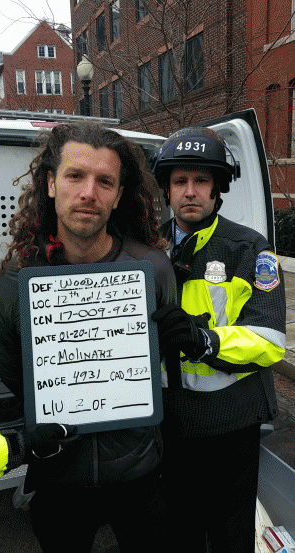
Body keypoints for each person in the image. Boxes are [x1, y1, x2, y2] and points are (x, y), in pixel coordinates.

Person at [0, 122, 176, 552]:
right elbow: (18, 379)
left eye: (104, 181)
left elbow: (157, 360)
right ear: (51, 183)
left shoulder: (154, 269)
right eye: (75, 176)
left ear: (118, 194)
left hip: (141, 477)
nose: (89, 192)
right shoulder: (7, 285)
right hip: (58, 480)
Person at [152, 126, 286, 552]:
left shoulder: (250, 250)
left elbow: (268, 339)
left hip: (231, 423)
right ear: (168, 190)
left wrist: (205, 341)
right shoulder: (145, 251)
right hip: (170, 423)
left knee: (230, 535)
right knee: (180, 532)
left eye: (202, 180)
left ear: (218, 187)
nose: (190, 191)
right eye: (180, 181)